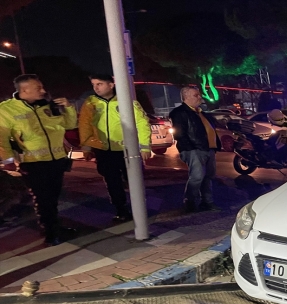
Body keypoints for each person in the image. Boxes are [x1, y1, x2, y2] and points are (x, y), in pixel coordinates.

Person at [0, 74, 78, 245]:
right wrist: (8, 160)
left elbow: (69, 125)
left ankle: (55, 226)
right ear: (24, 90)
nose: (43, 91)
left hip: (57, 159)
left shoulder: (47, 105)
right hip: (33, 162)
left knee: (54, 197)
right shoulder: (6, 110)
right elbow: (2, 138)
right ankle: (51, 232)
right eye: (38, 88)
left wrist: (69, 108)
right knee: (43, 198)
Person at [78, 74, 152, 222]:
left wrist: (144, 147)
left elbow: (142, 123)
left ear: (111, 85)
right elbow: (85, 126)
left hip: (127, 150)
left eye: (99, 84)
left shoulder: (126, 101)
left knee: (134, 180)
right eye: (93, 84)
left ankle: (139, 209)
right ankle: (121, 210)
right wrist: (87, 148)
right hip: (104, 151)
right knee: (112, 182)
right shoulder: (90, 103)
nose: (95, 88)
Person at [170, 86, 221, 212]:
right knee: (197, 176)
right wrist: (190, 148)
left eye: (199, 95)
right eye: (196, 95)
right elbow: (180, 134)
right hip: (194, 149)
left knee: (208, 176)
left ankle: (207, 202)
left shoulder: (200, 112)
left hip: (208, 148)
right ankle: (190, 201)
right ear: (186, 97)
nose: (200, 97)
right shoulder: (179, 112)